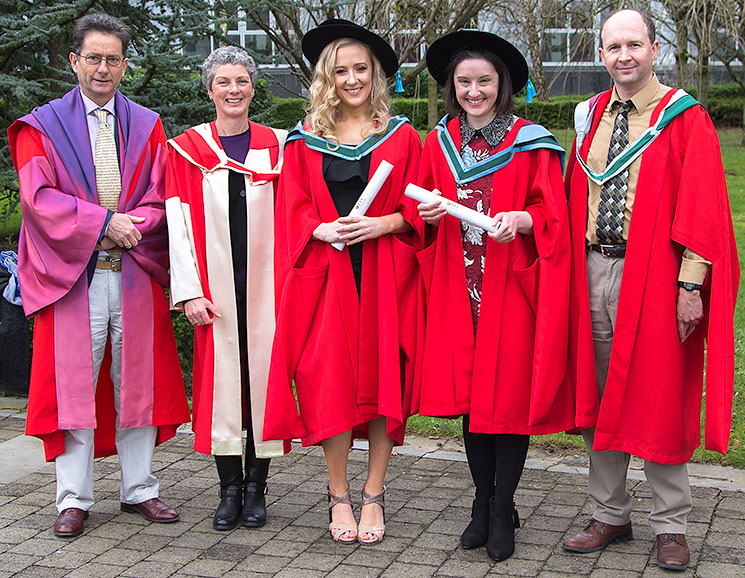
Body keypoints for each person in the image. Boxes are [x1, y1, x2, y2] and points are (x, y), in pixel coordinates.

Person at [562, 9, 739, 572]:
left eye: (634, 45)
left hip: (657, 277)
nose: (624, 57)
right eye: (613, 47)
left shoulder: (685, 118)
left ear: (654, 48)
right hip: (593, 269)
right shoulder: (588, 115)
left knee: (658, 393)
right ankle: (609, 511)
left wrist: (692, 286)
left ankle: (671, 523)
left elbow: (704, 207)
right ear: (601, 53)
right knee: (599, 393)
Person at [7, 13, 190, 538]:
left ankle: (140, 490)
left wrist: (130, 227)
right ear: (74, 61)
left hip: (131, 272)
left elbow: (164, 199)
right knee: (75, 388)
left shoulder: (147, 125)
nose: (103, 68)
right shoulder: (39, 127)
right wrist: (105, 223)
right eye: (93, 58)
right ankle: (73, 497)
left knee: (136, 386)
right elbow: (39, 201)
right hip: (73, 278)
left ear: (125, 64)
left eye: (113, 58)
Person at [414, 30, 580, 562]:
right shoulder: (438, 141)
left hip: (509, 287)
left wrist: (523, 218)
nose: (474, 90)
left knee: (506, 402)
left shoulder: (531, 142)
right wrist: (429, 215)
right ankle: (481, 505)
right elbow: (418, 214)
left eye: (484, 80)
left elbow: (556, 215)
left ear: (502, 84)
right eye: (464, 82)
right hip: (458, 289)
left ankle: (505, 506)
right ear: (452, 86)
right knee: (472, 405)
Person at [264, 19, 422, 545]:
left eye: (360, 69)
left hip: (383, 276)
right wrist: (320, 226)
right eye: (341, 71)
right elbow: (290, 208)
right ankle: (338, 493)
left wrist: (385, 223)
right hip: (327, 277)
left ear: (374, 74)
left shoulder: (400, 136)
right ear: (326, 78)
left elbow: (418, 209)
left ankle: (374, 492)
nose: (351, 79)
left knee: (382, 382)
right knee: (327, 379)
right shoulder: (304, 140)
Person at [165, 46, 289, 531]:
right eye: (223, 82)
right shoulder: (186, 149)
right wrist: (189, 291)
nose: (233, 90)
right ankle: (228, 489)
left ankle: (257, 487)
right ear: (209, 88)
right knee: (221, 389)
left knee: (262, 384)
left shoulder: (279, 144)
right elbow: (177, 221)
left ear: (253, 87)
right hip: (214, 287)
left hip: (267, 287)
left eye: (242, 81)